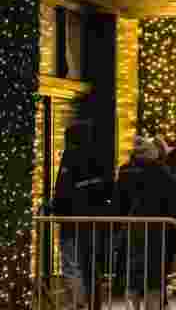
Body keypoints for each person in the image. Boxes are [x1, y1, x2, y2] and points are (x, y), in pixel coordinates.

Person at [115, 136, 176, 310]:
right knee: (153, 276)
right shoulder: (160, 171)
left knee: (133, 274)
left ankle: (133, 306)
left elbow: (118, 201)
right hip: (157, 230)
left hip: (132, 228)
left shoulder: (125, 170)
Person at [52, 121, 111, 310]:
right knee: (91, 263)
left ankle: (77, 304)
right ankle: (94, 304)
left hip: (72, 219)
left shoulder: (70, 156)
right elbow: (107, 188)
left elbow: (63, 188)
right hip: (94, 219)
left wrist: (57, 209)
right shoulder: (100, 156)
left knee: (71, 263)